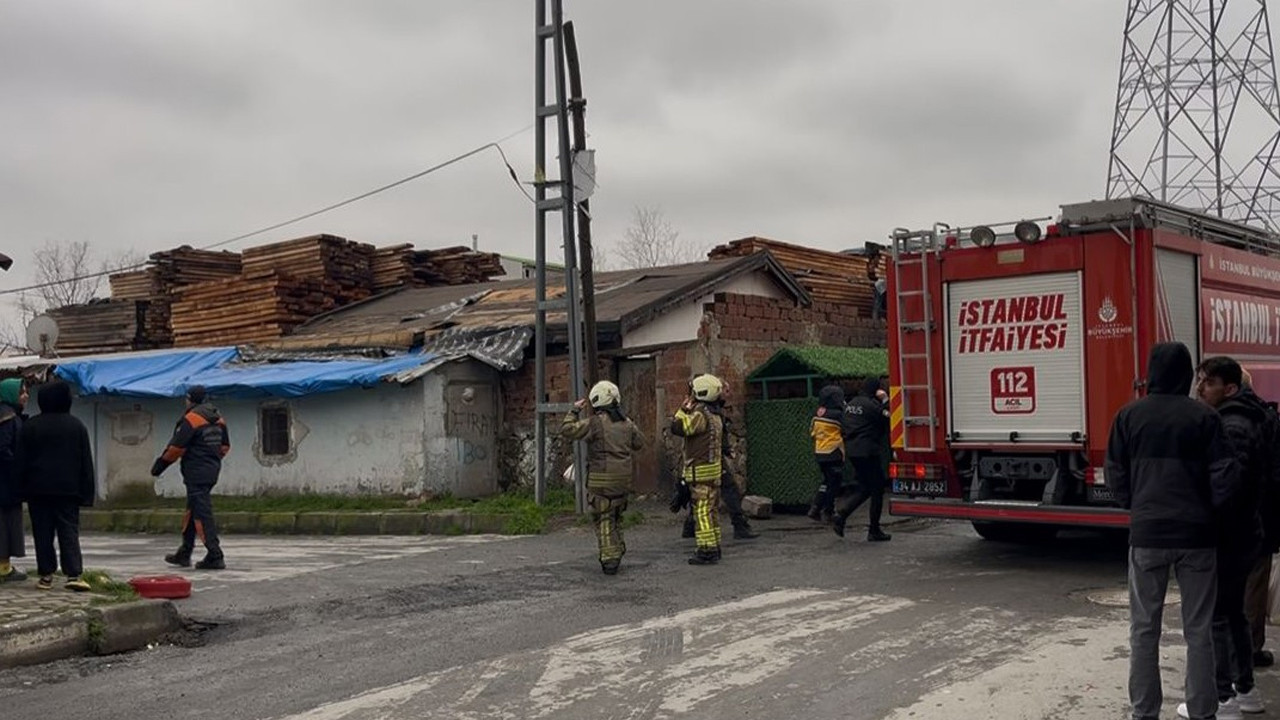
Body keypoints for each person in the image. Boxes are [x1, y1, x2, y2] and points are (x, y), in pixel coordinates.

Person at [1106, 342, 1241, 720]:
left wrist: (1137, 504)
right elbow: (1225, 477)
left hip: (1148, 534)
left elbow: (1115, 474)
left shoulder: (1128, 416)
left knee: (1143, 629)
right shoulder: (1204, 418)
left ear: (1151, 373)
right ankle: (1202, 711)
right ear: (1185, 375)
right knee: (1198, 629)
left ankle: (1144, 712)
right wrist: (1208, 511)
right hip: (1197, 537)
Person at [1188, 356, 1269, 717]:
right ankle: (1245, 689)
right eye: (1199, 380)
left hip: (1230, 536)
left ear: (1230, 388)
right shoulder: (1250, 415)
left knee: (1219, 615)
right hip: (1247, 533)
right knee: (1234, 612)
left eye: (1207, 382)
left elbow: (1228, 487)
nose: (1200, 388)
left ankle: (1223, 698)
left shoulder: (1231, 424)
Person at [560, 380, 645, 575]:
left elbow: (568, 430)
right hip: (623, 481)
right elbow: (639, 443)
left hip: (601, 482)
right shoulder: (627, 423)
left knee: (604, 518)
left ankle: (609, 559)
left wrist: (573, 411)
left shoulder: (595, 423)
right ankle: (618, 547)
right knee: (616, 515)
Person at [17, 381, 95, 592]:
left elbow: (21, 461)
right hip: (68, 491)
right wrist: (87, 494)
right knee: (68, 531)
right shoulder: (76, 426)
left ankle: (46, 575)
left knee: (42, 532)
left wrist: (20, 490)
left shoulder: (30, 426)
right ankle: (74, 574)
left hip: (37, 490)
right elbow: (85, 462)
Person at [151, 385, 229, 570]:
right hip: (212, 470)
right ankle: (184, 553)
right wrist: (211, 459)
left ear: (190, 399)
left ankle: (215, 555)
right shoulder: (219, 420)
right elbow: (225, 446)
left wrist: (159, 466)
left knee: (201, 513)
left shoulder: (191, 419)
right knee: (193, 510)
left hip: (196, 472)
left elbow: (176, 448)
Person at [1239, 367, 1280, 669]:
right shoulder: (1269, 419)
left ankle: (1232, 652)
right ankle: (1251, 648)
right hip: (1262, 516)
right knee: (1254, 584)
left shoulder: (1212, 419)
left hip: (1227, 520)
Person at [682, 385, 759, 541]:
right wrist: (724, 449)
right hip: (708, 458)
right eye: (725, 390)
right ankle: (739, 526)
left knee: (700, 494)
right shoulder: (709, 411)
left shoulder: (705, 409)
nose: (728, 394)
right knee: (727, 491)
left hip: (703, 458)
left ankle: (691, 526)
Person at [672, 374, 726, 565]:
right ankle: (715, 546)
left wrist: (682, 410)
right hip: (713, 474)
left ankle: (706, 550)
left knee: (702, 513)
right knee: (712, 512)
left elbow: (678, 427)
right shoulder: (716, 415)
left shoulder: (700, 415)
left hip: (700, 474)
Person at [832, 378, 892, 542]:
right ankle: (874, 530)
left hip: (853, 451)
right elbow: (888, 417)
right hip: (868, 451)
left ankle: (842, 515)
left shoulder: (850, 405)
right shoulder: (871, 406)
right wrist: (885, 399)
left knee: (867, 487)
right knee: (877, 488)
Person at [807, 384, 853, 523]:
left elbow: (811, 432)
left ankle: (815, 508)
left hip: (819, 451)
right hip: (834, 452)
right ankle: (828, 511)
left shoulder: (817, 413)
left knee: (827, 481)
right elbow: (847, 430)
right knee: (834, 484)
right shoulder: (838, 414)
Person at [0, 379, 28, 582]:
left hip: (7, 482)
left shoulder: (9, 415)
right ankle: (3, 568)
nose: (26, 396)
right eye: (21, 392)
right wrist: (18, 468)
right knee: (5, 525)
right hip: (6, 483)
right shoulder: (7, 418)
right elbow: (4, 450)